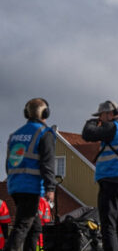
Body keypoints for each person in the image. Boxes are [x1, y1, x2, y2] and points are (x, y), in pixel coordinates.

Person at [81, 100, 118, 251]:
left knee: (109, 228)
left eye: (101, 115)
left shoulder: (112, 127)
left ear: (109, 114)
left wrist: (91, 122)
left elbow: (87, 134)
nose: (100, 119)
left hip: (112, 181)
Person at [5, 98, 56, 251]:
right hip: (31, 187)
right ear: (45, 112)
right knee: (22, 226)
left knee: (35, 228)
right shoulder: (44, 133)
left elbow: (8, 164)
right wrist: (50, 188)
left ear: (26, 113)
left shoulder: (15, 135)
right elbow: (47, 163)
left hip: (14, 186)